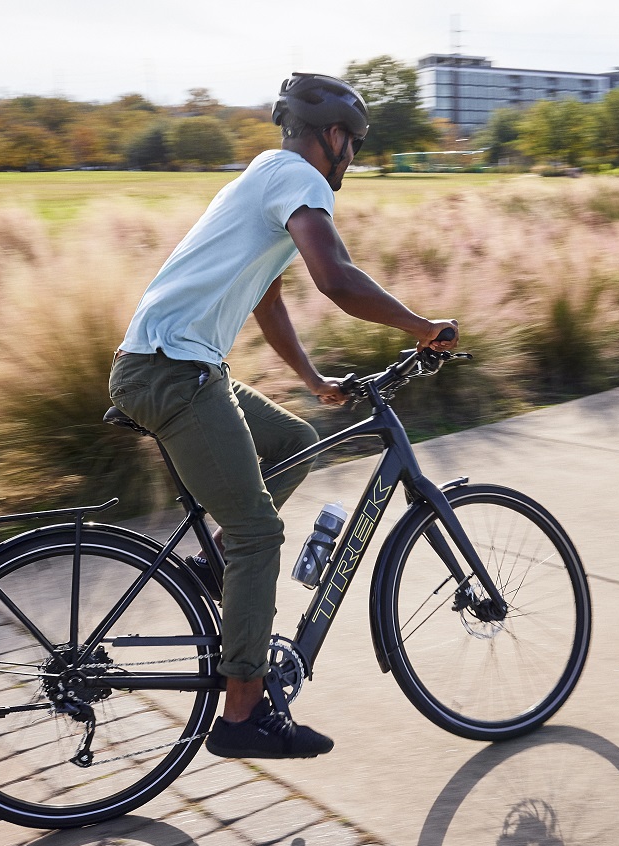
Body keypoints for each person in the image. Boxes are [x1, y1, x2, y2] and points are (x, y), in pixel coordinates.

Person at [108, 73, 458, 759]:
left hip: (174, 366)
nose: (351, 158)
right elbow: (336, 277)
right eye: (351, 144)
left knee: (295, 439)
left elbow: (268, 298)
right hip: (172, 373)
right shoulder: (299, 179)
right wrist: (421, 326)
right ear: (329, 137)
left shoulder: (265, 178)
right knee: (259, 534)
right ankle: (243, 718)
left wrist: (312, 379)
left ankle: (216, 576)